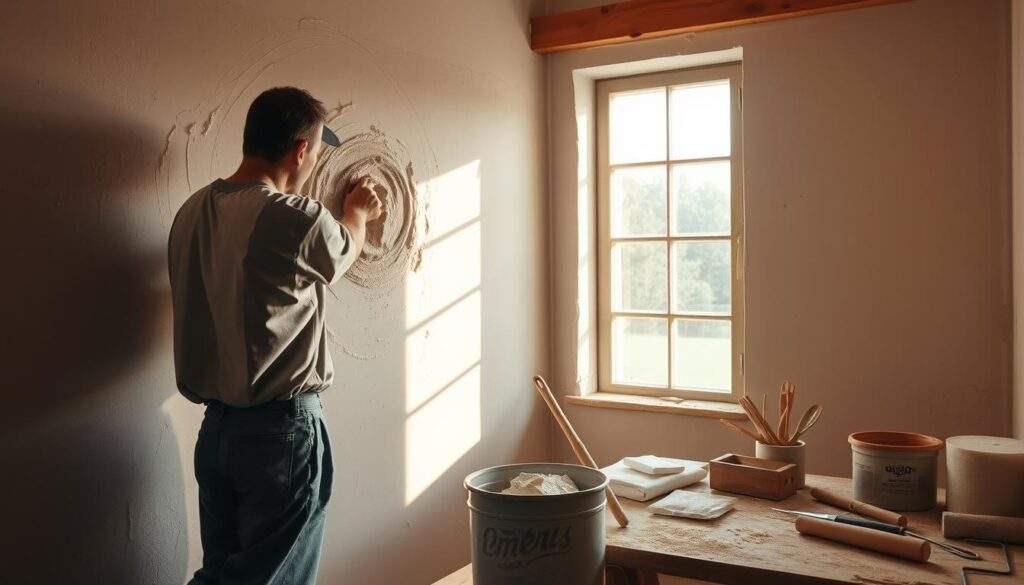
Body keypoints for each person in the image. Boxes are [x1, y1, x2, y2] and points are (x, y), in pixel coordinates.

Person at [167, 86, 382, 584]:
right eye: (313, 153)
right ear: (301, 151)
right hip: (279, 435)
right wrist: (359, 211)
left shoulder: (191, 210)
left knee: (221, 573)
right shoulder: (291, 217)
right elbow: (344, 248)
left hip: (216, 430)